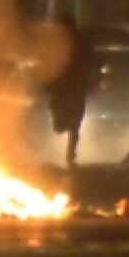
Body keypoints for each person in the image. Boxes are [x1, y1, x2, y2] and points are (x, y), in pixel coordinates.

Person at [44, 13, 98, 169]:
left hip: (76, 88)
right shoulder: (55, 42)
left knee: (75, 124)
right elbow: (47, 61)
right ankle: (63, 127)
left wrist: (91, 81)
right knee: (62, 124)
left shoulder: (81, 43)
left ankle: (70, 156)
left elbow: (92, 61)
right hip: (61, 88)